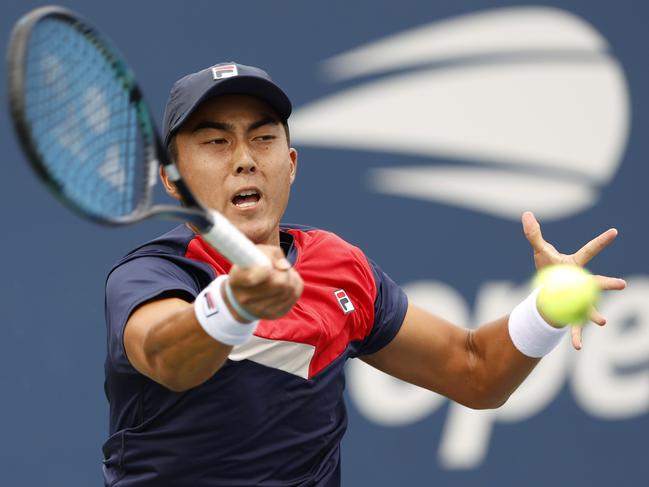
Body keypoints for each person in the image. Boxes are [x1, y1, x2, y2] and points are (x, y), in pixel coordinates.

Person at [102, 62, 626, 487]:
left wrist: (548, 309)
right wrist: (235, 305)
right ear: (173, 180)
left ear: (291, 163)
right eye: (215, 142)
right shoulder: (154, 274)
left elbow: (475, 370)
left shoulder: (338, 266)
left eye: (261, 139)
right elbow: (167, 357)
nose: (244, 160)